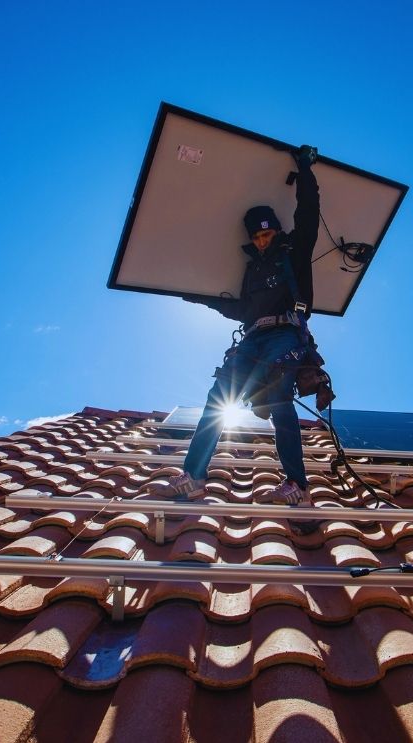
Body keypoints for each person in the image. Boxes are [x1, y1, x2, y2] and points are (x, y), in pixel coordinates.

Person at [150, 144, 323, 513]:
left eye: (268, 233)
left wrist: (304, 170)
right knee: (218, 397)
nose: (263, 240)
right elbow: (242, 309)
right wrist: (197, 298)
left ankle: (297, 485)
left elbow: (308, 213)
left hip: (286, 334)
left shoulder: (294, 253)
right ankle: (193, 478)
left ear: (276, 231)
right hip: (253, 337)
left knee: (278, 395)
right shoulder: (252, 270)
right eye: (257, 236)